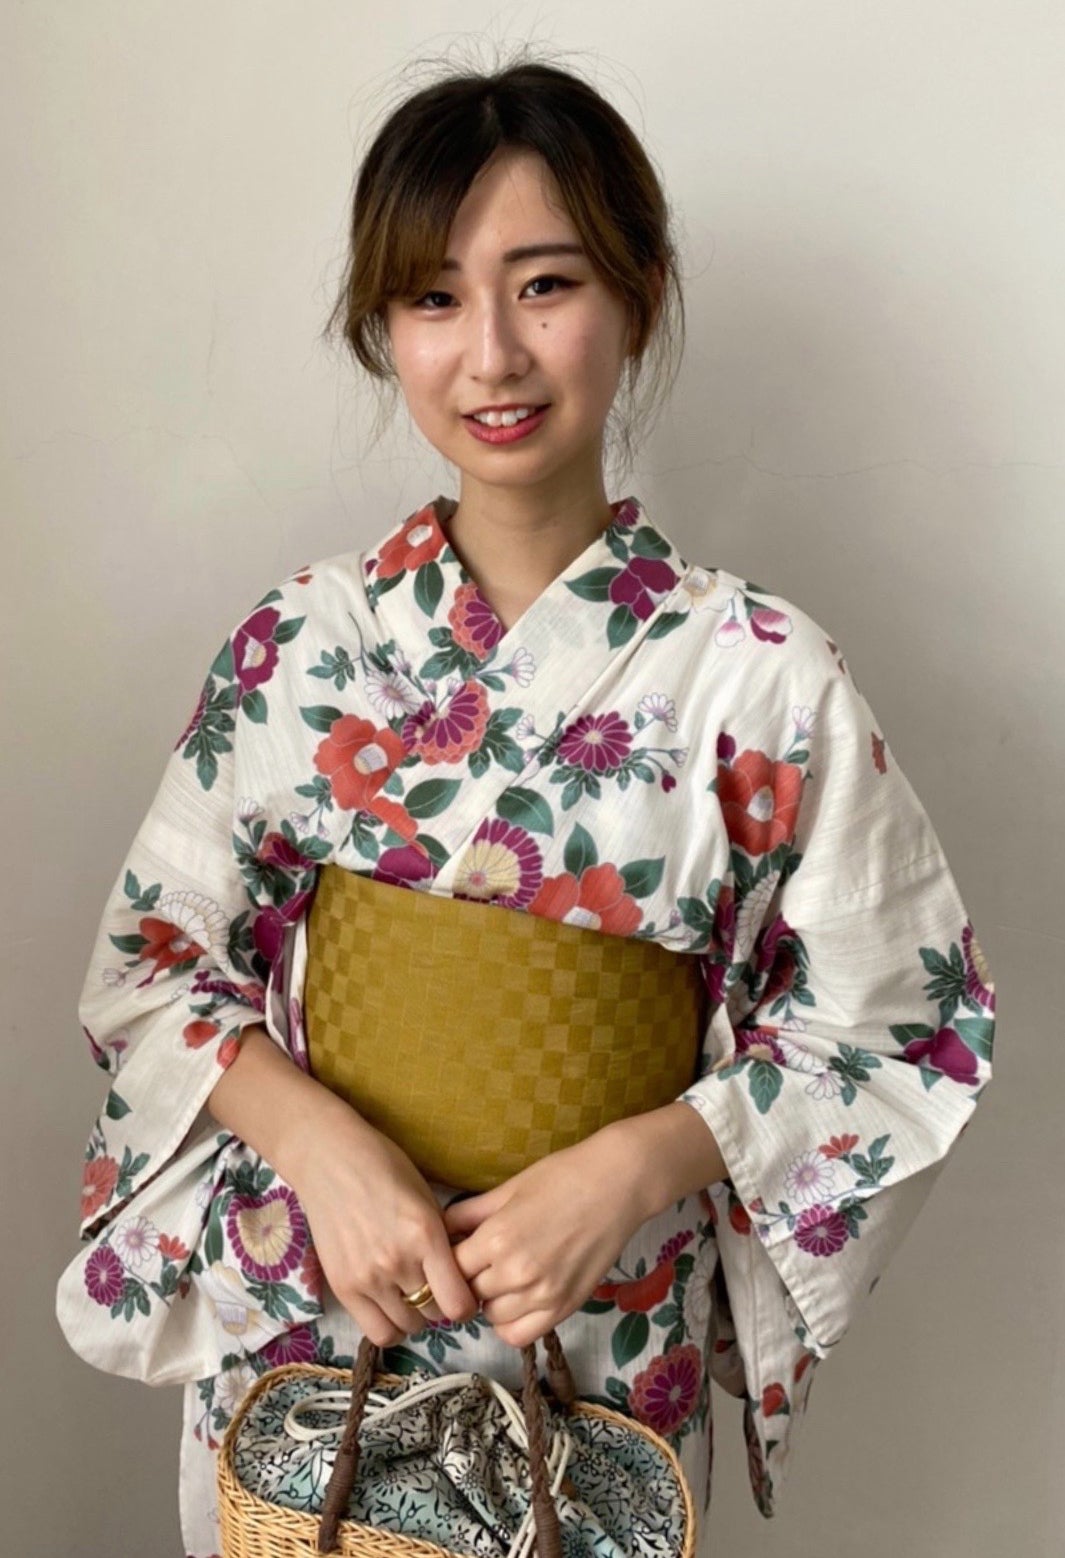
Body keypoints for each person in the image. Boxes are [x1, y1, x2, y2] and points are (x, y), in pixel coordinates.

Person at [56, 56, 996, 1558]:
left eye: (544, 285)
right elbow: (151, 969)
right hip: (317, 1321)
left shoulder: (758, 675)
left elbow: (898, 1024)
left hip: (599, 1339)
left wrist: (635, 1165)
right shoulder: (300, 648)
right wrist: (323, 1151)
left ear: (637, 293)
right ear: (384, 329)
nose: (490, 353)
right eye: (433, 298)